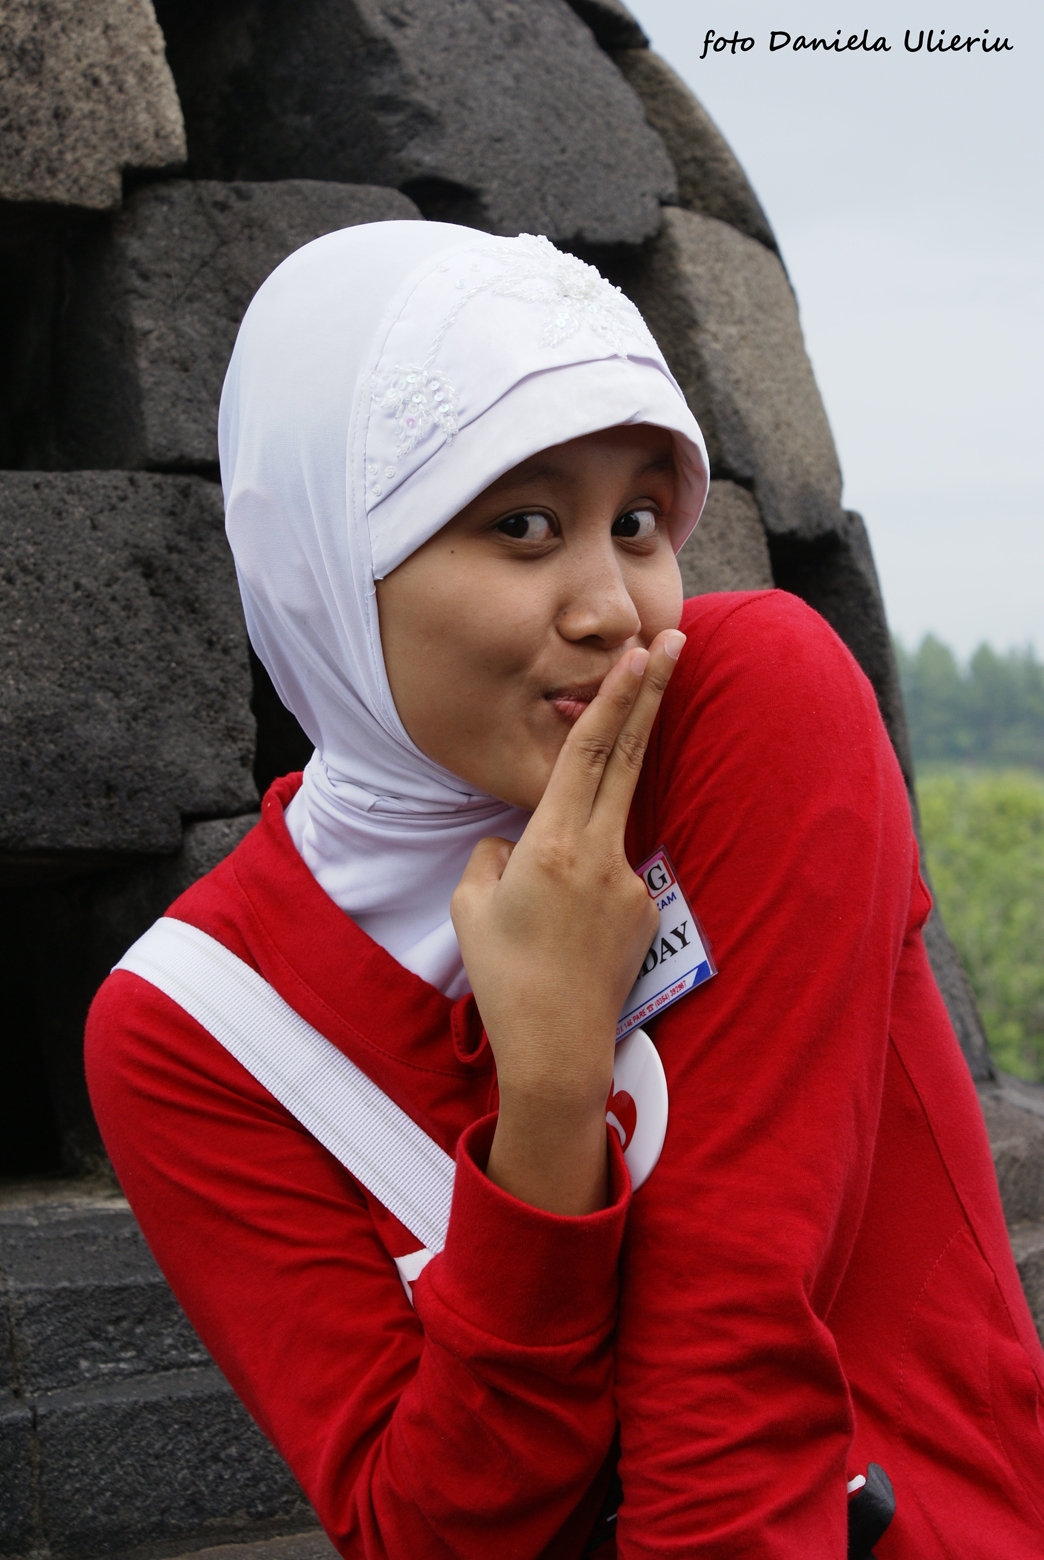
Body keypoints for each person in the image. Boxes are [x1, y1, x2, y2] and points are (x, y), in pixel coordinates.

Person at [85, 221, 1044, 1558]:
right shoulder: (192, 1030)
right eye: (524, 525)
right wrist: (543, 1110)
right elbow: (430, 1533)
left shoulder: (745, 712)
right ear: (324, 560)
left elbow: (732, 1363)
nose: (616, 608)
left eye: (639, 521)